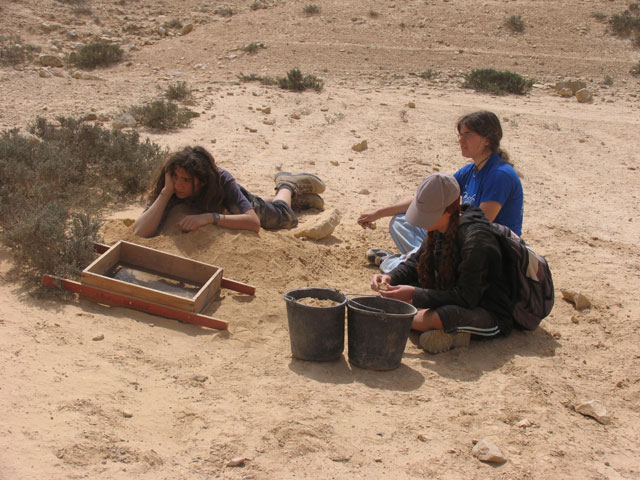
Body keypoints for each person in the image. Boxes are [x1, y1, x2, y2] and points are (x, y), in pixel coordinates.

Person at [358, 110, 523, 273]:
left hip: (486, 251)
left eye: (467, 135)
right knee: (402, 222)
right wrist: (379, 213)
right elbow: (430, 198)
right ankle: (417, 259)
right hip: (465, 238)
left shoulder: (499, 175)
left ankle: (402, 262)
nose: (461, 140)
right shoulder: (471, 170)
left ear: (486, 139)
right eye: (460, 135)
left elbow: (479, 227)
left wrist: (438, 241)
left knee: (429, 254)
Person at [370, 173, 514, 354]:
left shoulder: (476, 239)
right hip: (452, 293)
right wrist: (391, 277)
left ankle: (412, 319)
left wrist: (415, 294)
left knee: (441, 316)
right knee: (398, 293)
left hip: (486, 309)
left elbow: (466, 297)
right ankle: (439, 329)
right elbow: (416, 261)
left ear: (448, 210)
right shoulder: (440, 226)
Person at [133, 145, 325, 238]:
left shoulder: (222, 180)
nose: (179, 184)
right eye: (175, 177)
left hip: (233, 208)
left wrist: (209, 218)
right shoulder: (170, 188)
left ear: (201, 181)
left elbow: (253, 222)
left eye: (186, 180)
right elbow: (140, 231)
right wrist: (166, 191)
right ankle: (296, 198)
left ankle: (287, 185)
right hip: (226, 210)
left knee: (285, 217)